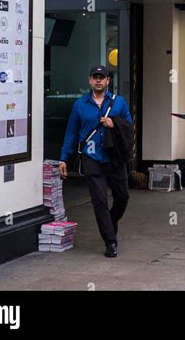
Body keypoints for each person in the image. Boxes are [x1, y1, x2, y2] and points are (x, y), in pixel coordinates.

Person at [58, 65, 133, 258]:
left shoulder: (119, 103)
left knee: (123, 197)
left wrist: (113, 123)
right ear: (90, 80)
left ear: (108, 80)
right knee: (99, 201)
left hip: (115, 158)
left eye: (102, 77)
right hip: (91, 158)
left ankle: (111, 220)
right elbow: (72, 133)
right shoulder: (80, 105)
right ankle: (110, 241)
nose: (98, 80)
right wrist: (63, 158)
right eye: (95, 77)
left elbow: (129, 127)